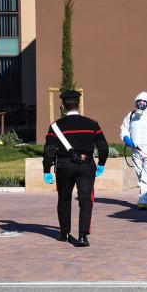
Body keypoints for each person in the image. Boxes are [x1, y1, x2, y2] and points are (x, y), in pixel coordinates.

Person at [43, 90, 109, 247]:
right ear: (78, 104)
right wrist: (101, 164)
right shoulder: (92, 124)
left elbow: (49, 150)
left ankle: (64, 233)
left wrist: (46, 169)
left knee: (64, 199)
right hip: (86, 165)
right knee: (86, 200)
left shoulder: (56, 126)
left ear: (63, 106)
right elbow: (103, 148)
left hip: (64, 166)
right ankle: (82, 236)